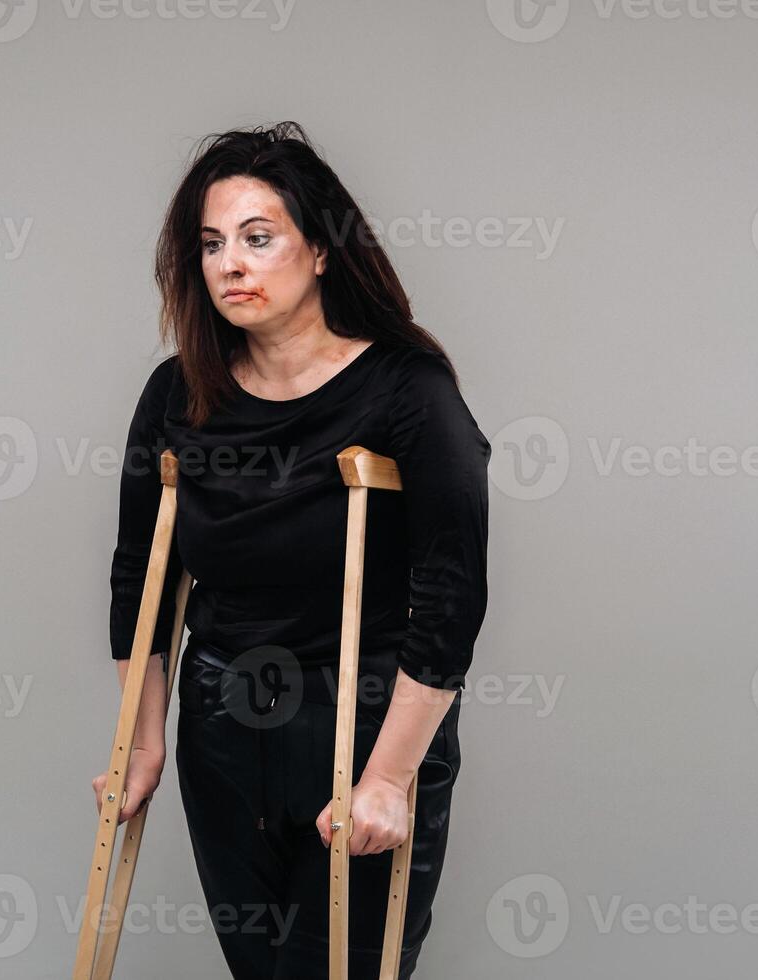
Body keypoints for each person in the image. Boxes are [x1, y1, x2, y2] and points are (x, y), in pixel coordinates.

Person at [92, 121, 491, 979]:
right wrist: (146, 739)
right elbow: (141, 576)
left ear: (319, 251)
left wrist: (389, 776)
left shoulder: (407, 393)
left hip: (361, 716)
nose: (230, 263)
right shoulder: (178, 393)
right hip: (222, 717)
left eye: (258, 238)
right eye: (211, 244)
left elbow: (451, 593)